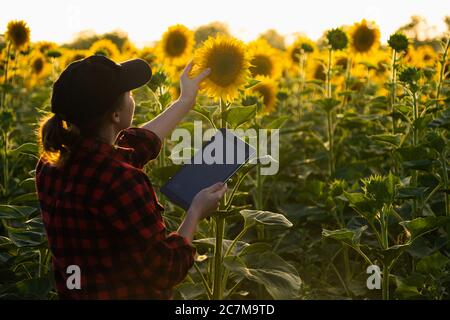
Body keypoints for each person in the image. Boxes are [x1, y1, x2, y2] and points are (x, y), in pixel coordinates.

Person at [35, 54, 227, 299]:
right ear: (115, 115)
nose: (132, 98)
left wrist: (185, 101)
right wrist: (196, 212)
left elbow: (133, 147)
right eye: (128, 94)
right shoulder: (121, 180)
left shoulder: (51, 163)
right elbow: (165, 269)